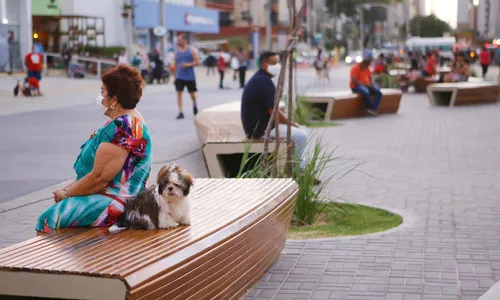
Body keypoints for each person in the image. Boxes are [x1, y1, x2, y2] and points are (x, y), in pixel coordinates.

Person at [36, 65, 152, 233]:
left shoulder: (124, 126)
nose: (100, 97)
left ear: (114, 100)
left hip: (120, 201)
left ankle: (52, 259)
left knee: (49, 218)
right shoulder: (128, 119)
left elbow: (99, 178)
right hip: (121, 197)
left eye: (103, 92)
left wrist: (66, 193)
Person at [241, 51, 307, 168]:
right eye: (274, 63)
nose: (278, 66)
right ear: (264, 64)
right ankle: (296, 169)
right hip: (260, 130)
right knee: (301, 136)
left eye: (278, 63)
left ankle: (300, 165)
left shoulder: (260, 78)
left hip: (258, 126)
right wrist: (291, 124)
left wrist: (292, 124)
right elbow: (274, 113)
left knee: (302, 130)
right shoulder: (264, 82)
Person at [174, 32, 200, 120]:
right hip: (179, 76)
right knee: (179, 94)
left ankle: (195, 104)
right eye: (178, 40)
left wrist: (188, 64)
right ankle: (180, 112)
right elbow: (176, 64)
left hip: (190, 77)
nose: (178, 41)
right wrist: (174, 76)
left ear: (184, 40)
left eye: (180, 40)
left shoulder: (191, 50)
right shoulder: (177, 52)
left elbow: (197, 62)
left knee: (192, 94)